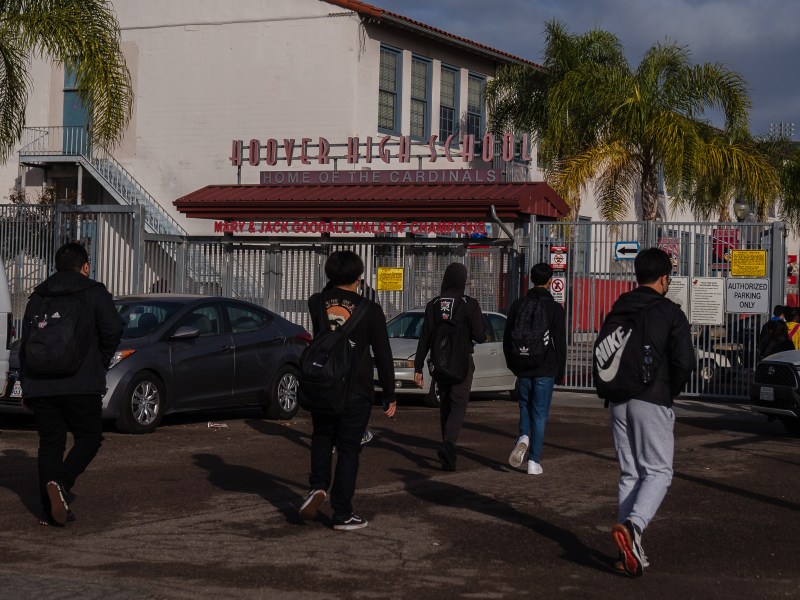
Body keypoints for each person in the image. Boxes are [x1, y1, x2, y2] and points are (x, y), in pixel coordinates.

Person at [601, 248, 694, 577]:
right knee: (658, 472)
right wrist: (668, 392)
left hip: (616, 399)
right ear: (665, 278)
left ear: (637, 275)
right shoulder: (669, 312)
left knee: (630, 473)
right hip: (651, 398)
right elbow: (685, 361)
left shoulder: (619, 307)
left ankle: (630, 549)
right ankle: (634, 527)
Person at [19, 242, 123, 526]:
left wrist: (26, 385)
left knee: (50, 444)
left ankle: (48, 511)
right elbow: (113, 329)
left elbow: (26, 343)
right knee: (89, 438)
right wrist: (99, 362)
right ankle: (61, 484)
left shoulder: (38, 296)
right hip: (82, 381)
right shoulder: (94, 292)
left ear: (56, 265)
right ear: (85, 265)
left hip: (40, 383)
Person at [298, 251, 396, 531]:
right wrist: (389, 394)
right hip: (356, 388)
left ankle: (317, 486)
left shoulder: (316, 302)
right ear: (359, 277)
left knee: (321, 435)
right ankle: (342, 513)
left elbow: (327, 309)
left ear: (329, 275)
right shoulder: (371, 310)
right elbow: (383, 354)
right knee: (349, 449)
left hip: (322, 384)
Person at [413, 262, 486, 471]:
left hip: (439, 362)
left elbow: (424, 336)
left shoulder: (433, 304)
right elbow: (480, 335)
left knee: (445, 405)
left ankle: (448, 450)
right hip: (462, 362)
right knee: (458, 405)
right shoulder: (469, 304)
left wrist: (418, 367)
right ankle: (448, 445)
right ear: (462, 280)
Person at [503, 263, 566, 475]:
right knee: (540, 414)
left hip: (522, 365)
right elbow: (560, 342)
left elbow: (507, 338)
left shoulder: (518, 304)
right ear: (550, 281)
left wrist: (512, 364)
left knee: (524, 406)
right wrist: (560, 371)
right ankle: (534, 461)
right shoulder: (555, 308)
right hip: (545, 367)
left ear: (530, 279)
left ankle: (523, 436)